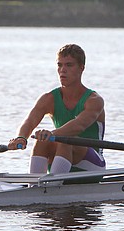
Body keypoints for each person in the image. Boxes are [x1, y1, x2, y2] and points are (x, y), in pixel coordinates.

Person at [8, 44, 106, 175]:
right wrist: (21, 137)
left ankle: (50, 188)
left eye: (69, 65)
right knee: (42, 141)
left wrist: (52, 134)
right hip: (62, 161)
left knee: (65, 140)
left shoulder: (94, 100)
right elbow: (29, 122)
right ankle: (36, 187)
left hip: (91, 167)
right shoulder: (49, 98)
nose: (62, 70)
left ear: (81, 68)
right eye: (60, 65)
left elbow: (79, 126)